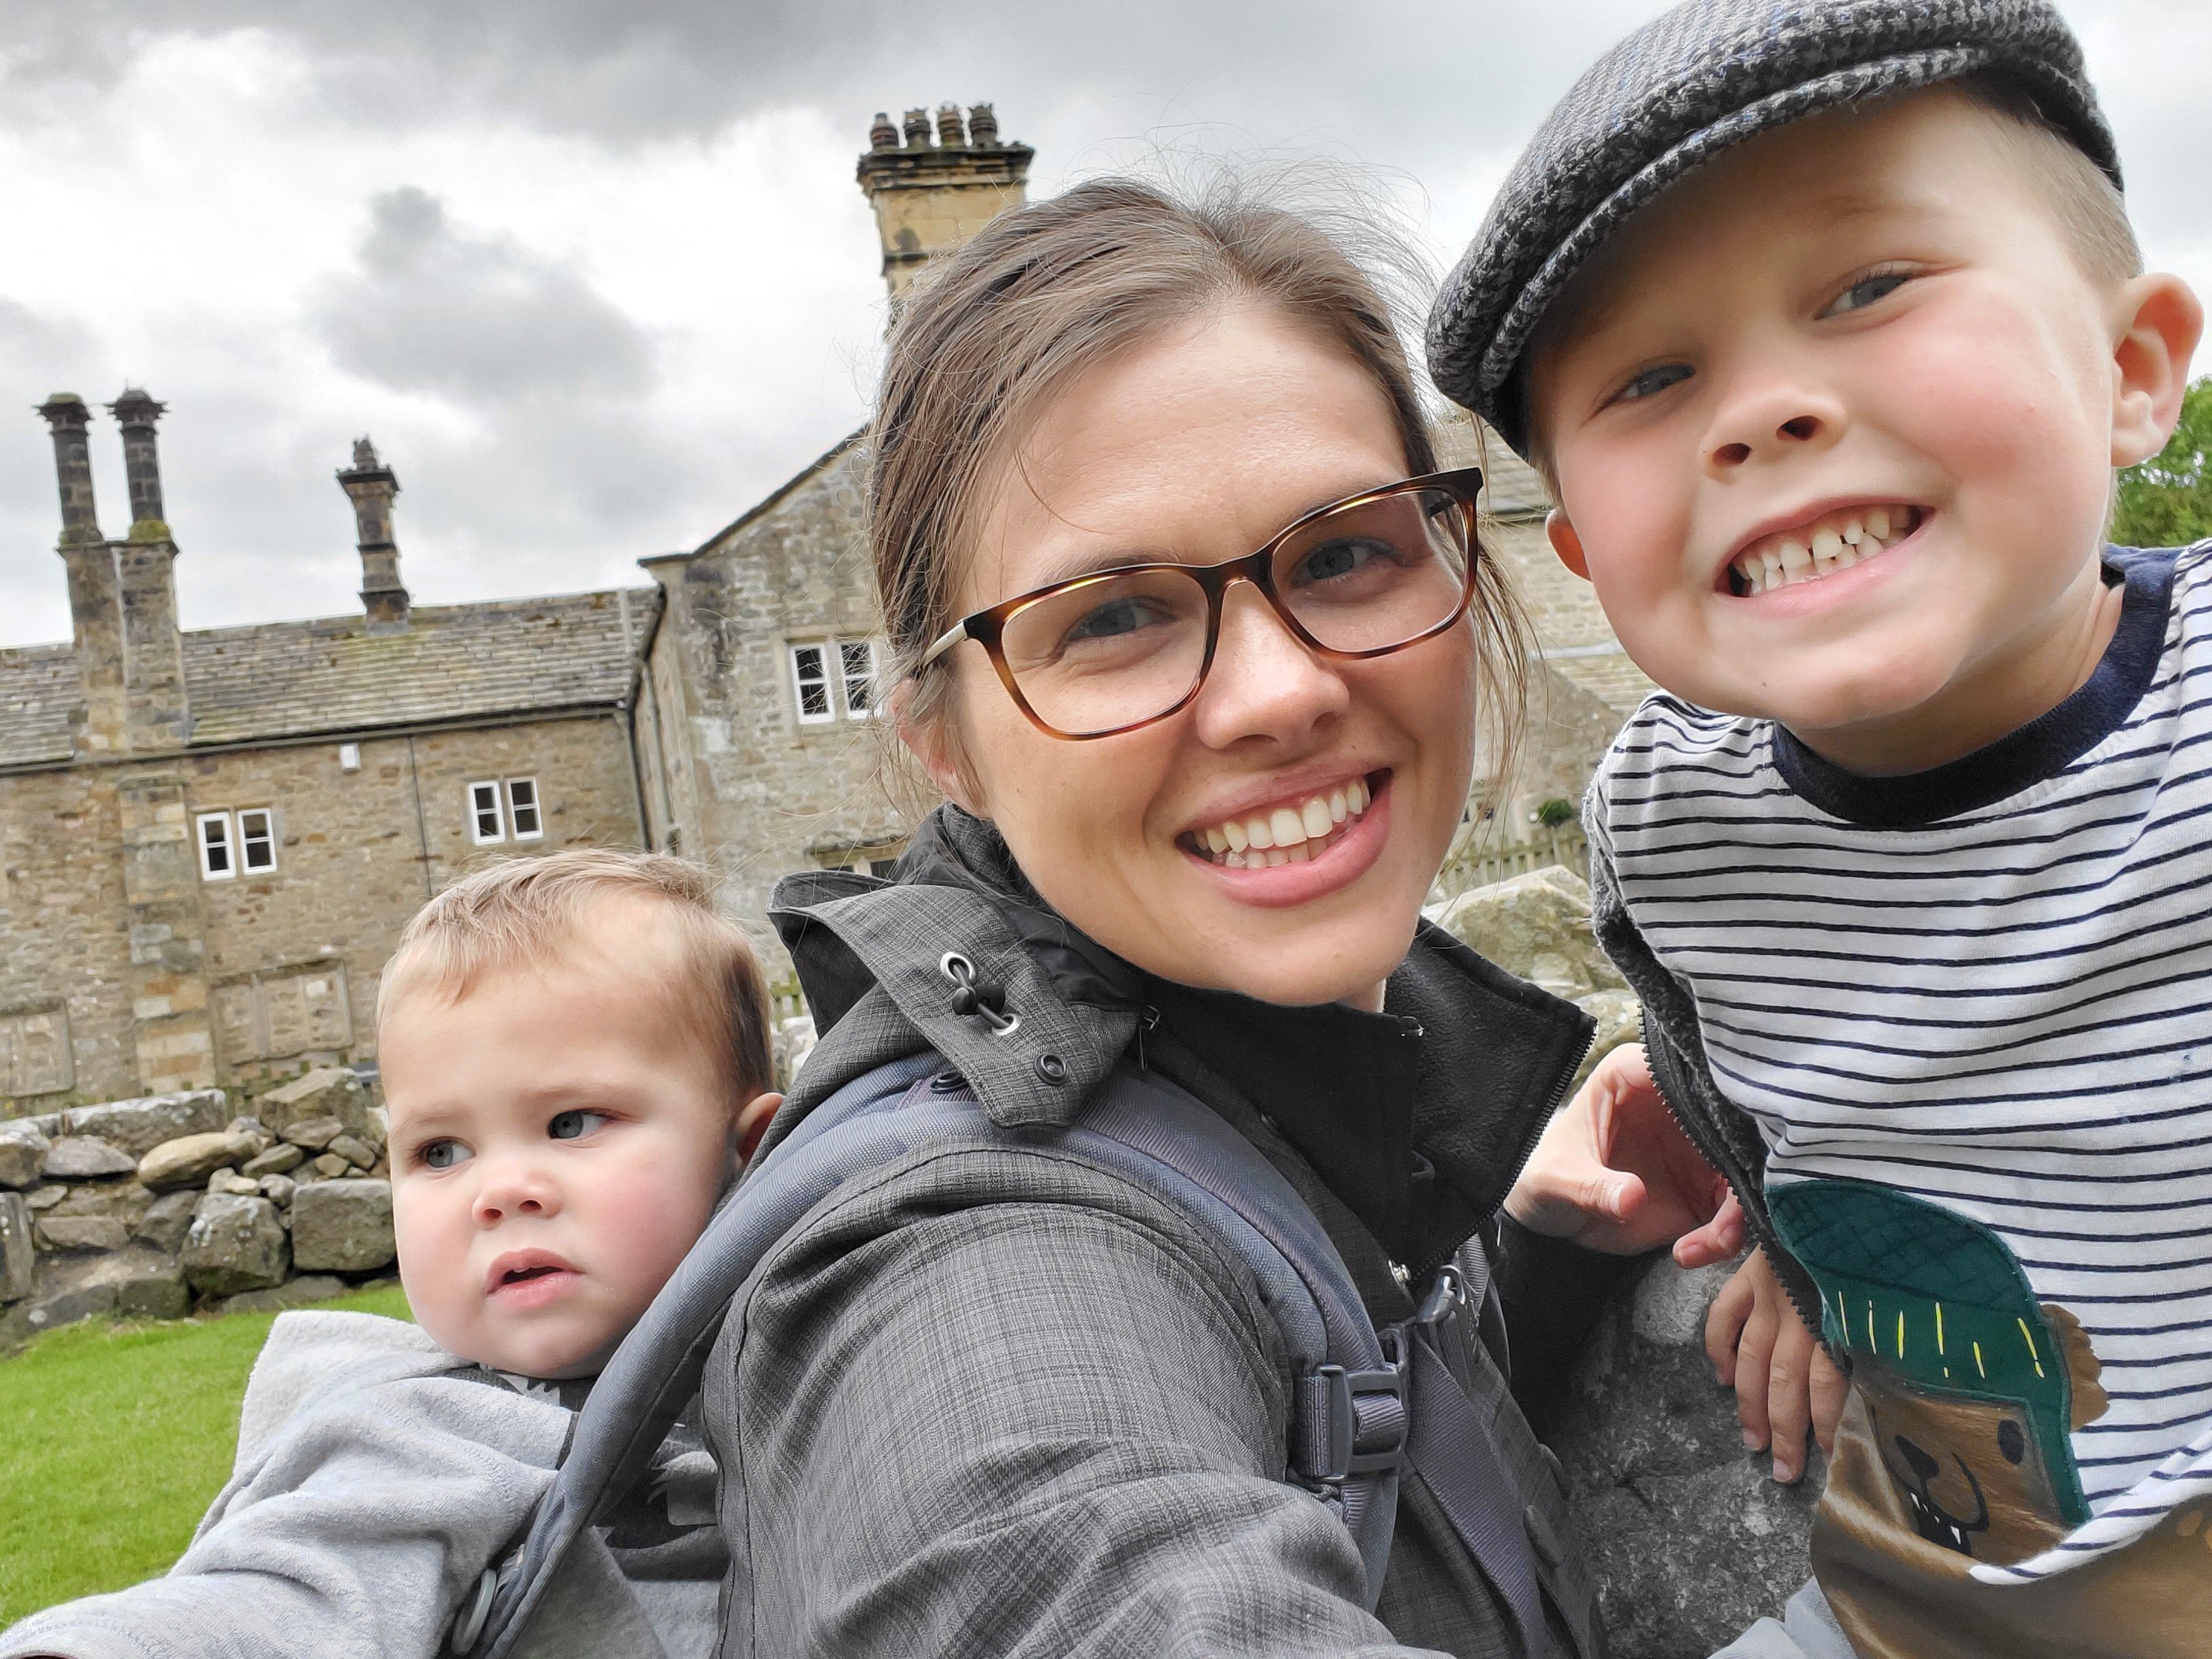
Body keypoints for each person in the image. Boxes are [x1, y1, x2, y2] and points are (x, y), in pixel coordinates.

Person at [693, 174, 1737, 1659]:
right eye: (1112, 616)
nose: (1280, 691)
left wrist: (1513, 1260)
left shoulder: (1267, 1103)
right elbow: (1053, 1534)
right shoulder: (967, 1268)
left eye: (1341, 554)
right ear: (942, 737)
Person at [1425, 1, 2205, 1654]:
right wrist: (1806, 1245)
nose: (1760, 410)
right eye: (1649, 375)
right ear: (1579, 552)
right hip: (1927, 1581)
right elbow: (1727, 1057)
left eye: (1866, 289)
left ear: (2130, 372)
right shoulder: (1667, 811)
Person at [0, 851, 782, 1659]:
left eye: (572, 1123)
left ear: (750, 1155)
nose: (500, 1191)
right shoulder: (427, 1427)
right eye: (440, 1152)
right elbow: (291, 1593)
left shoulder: (829, 1343)